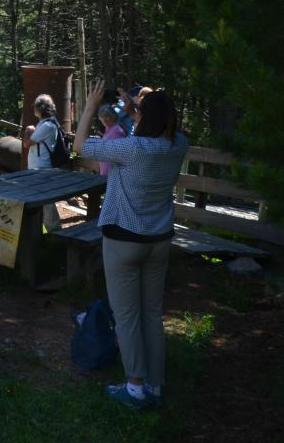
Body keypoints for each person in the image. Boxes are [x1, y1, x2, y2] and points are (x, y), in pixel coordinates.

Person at [74, 79, 187, 410]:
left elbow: (80, 146)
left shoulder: (132, 149)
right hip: (159, 240)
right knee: (152, 313)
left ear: (144, 116)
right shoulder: (179, 143)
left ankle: (135, 386)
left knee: (127, 316)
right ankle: (154, 384)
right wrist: (134, 109)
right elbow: (151, 128)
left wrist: (91, 107)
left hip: (123, 240)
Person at [22, 93, 62, 231]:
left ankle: (56, 235)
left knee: (47, 205)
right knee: (42, 203)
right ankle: (47, 234)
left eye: (35, 107)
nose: (34, 110)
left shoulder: (47, 126)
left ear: (40, 109)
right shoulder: (46, 124)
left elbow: (27, 144)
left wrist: (28, 130)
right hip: (39, 168)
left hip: (42, 169)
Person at [95, 103, 125, 176]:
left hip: (112, 174)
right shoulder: (109, 128)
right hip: (106, 173)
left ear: (113, 116)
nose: (104, 121)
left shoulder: (117, 131)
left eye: (107, 117)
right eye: (102, 118)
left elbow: (118, 154)